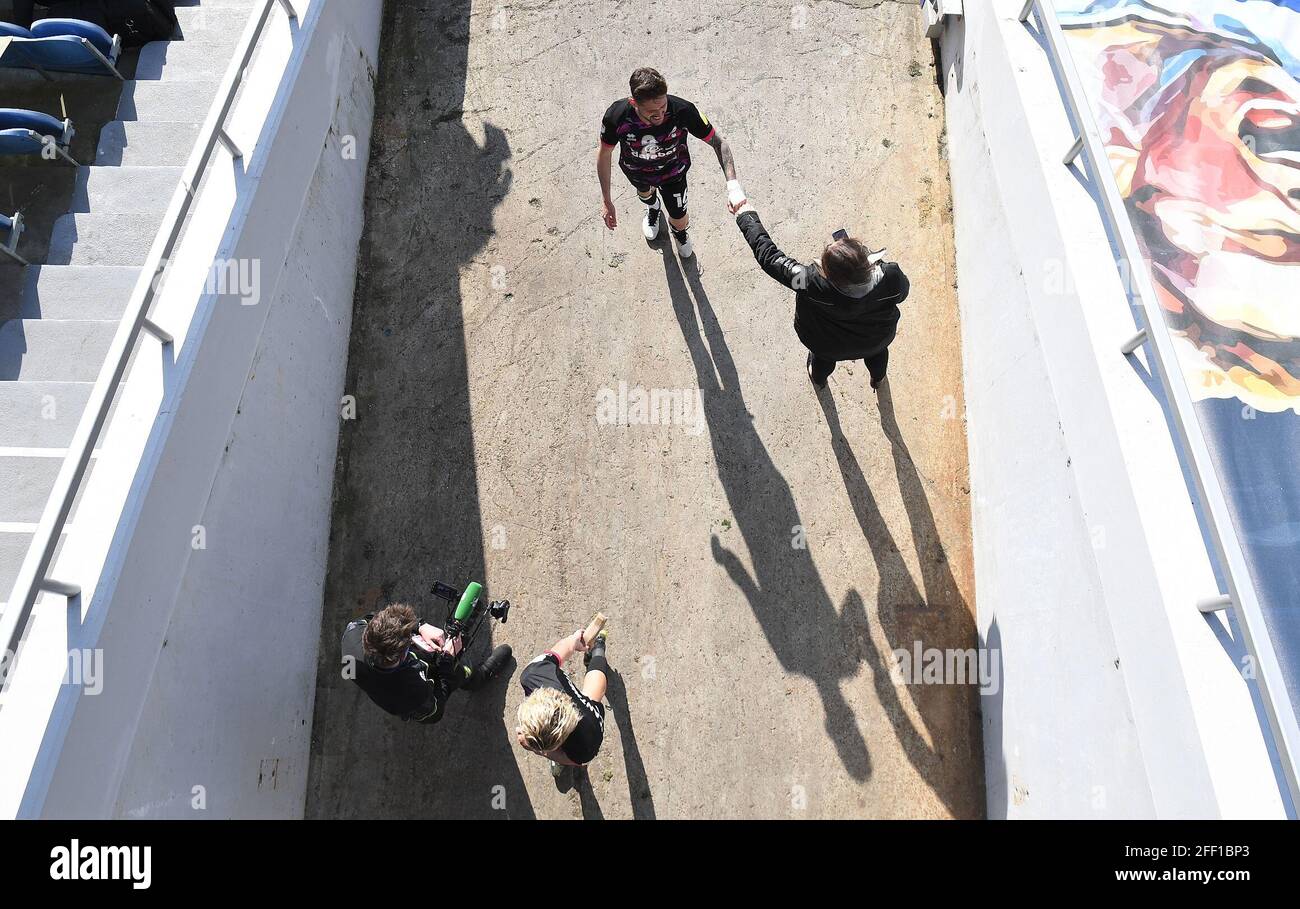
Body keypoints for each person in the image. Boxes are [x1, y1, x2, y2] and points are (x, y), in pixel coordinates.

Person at [724, 182, 909, 389]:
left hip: (827, 346)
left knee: (822, 361)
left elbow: (769, 257)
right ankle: (878, 379)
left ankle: (819, 380)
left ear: (827, 273)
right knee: (877, 355)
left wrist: (745, 214)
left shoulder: (809, 282)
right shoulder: (890, 276)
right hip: (877, 339)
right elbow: (902, 294)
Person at [597, 67, 738, 259]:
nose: (660, 115)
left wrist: (733, 187)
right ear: (633, 103)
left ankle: (679, 233)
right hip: (636, 171)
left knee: (679, 218)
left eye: (663, 108)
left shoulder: (683, 110)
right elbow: (605, 154)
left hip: (673, 173)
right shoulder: (617, 115)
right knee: (645, 193)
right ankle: (653, 207)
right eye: (652, 112)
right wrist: (606, 200)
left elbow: (719, 144)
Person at [341, 603, 511, 724]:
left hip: (377, 681)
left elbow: (373, 619)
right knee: (457, 671)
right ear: (401, 657)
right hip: (406, 698)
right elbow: (435, 713)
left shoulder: (352, 634)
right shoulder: (414, 692)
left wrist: (420, 626)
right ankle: (475, 679)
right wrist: (446, 665)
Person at [515, 627, 609, 769]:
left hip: (584, 728)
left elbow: (573, 760)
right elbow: (557, 653)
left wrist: (539, 750)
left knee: (593, 694)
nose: (517, 729)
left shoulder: (586, 745)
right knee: (593, 695)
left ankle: (598, 649)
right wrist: (573, 640)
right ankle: (598, 650)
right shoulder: (535, 673)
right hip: (586, 717)